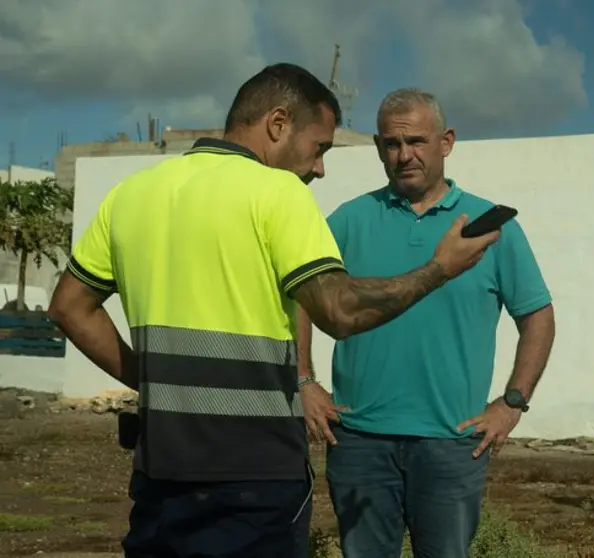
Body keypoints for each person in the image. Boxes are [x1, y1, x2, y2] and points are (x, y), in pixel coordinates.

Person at [46, 64, 499, 558]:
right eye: (320, 146)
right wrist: (438, 269)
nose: (319, 168)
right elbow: (339, 311)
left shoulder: (132, 193)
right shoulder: (277, 192)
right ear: (278, 124)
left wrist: (155, 381)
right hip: (254, 479)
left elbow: (70, 307)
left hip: (159, 473)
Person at [296, 88, 556, 557]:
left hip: (452, 444)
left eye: (416, 141)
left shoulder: (488, 226)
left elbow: (537, 315)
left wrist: (513, 402)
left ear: (446, 141)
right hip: (358, 440)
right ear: (378, 148)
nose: (404, 155)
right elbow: (299, 300)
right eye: (392, 145)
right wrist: (304, 381)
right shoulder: (347, 222)